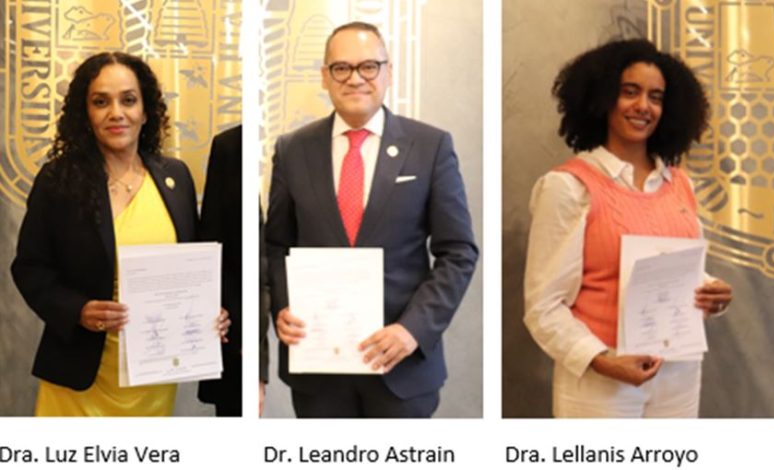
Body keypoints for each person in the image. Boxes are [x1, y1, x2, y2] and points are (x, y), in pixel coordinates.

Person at [266, 21, 478, 418]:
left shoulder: (430, 146)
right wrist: (284, 305)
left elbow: (459, 252)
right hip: (319, 368)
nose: (355, 78)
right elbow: (277, 245)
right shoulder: (293, 149)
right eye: (341, 68)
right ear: (325, 77)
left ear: (389, 72)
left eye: (368, 66)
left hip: (401, 369)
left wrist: (413, 329)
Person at [11, 52, 229, 417]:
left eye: (128, 100)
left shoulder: (176, 178)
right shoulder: (58, 180)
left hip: (153, 376)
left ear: (146, 111)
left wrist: (209, 311)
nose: (116, 113)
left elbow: (191, 270)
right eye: (101, 102)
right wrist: (78, 310)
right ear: (85, 113)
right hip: (79, 379)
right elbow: (30, 268)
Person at [524, 39, 733, 418]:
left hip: (680, 373)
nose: (643, 106)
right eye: (629, 92)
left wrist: (711, 292)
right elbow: (543, 307)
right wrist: (601, 360)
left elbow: (679, 271)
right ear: (602, 98)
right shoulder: (568, 187)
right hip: (602, 382)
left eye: (656, 97)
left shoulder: (680, 184)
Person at [197, 125, 270, 416]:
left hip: (320, 332)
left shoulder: (310, 146)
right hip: (237, 341)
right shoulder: (230, 146)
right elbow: (215, 243)